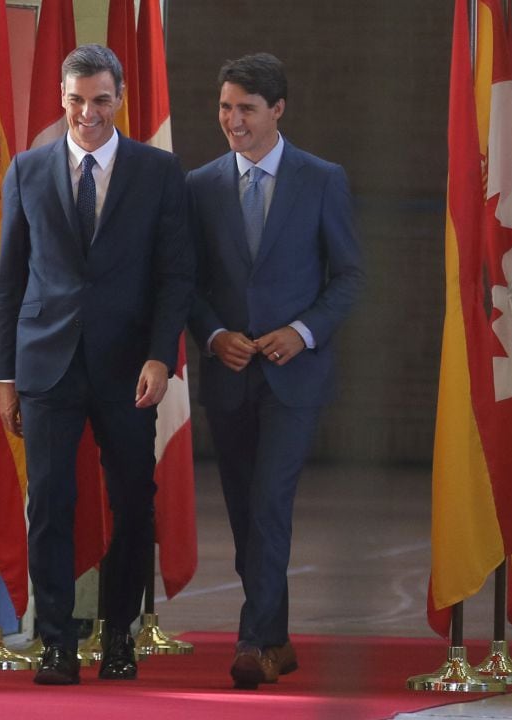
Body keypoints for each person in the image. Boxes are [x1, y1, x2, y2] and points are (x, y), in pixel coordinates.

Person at [0, 44, 193, 685]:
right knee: (50, 504)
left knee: (134, 503)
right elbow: (9, 281)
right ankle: (54, 641)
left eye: (101, 99)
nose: (88, 112)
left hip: (129, 368)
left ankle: (118, 638)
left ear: (121, 98)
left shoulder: (159, 172)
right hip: (46, 366)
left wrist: (162, 356)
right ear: (62, 96)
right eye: (77, 99)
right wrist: (5, 377)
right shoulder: (26, 171)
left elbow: (174, 276)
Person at [187, 52, 364, 689]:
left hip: (296, 378)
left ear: (278, 110)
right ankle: (279, 638)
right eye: (226, 107)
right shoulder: (200, 186)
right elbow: (188, 282)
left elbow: (347, 278)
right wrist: (212, 335)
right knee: (244, 515)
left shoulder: (322, 180)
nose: (232, 120)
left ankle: (254, 643)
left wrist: (301, 331)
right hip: (229, 375)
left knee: (269, 506)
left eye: (247, 109)